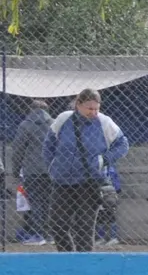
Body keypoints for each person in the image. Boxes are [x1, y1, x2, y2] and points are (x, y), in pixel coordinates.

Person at [44, 89, 129, 253]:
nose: (94, 112)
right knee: (57, 225)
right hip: (63, 182)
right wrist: (52, 167)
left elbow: (122, 144)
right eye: (90, 108)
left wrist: (103, 160)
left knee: (84, 228)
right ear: (78, 105)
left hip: (89, 182)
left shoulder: (105, 122)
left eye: (97, 108)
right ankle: (68, 257)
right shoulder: (63, 119)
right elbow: (48, 145)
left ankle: (84, 264)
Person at [11, 100, 54, 245]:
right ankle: (50, 235)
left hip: (32, 170)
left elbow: (18, 149)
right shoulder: (54, 124)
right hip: (52, 170)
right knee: (50, 202)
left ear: (31, 109)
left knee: (36, 203)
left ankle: (38, 234)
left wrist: (16, 170)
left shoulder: (26, 125)